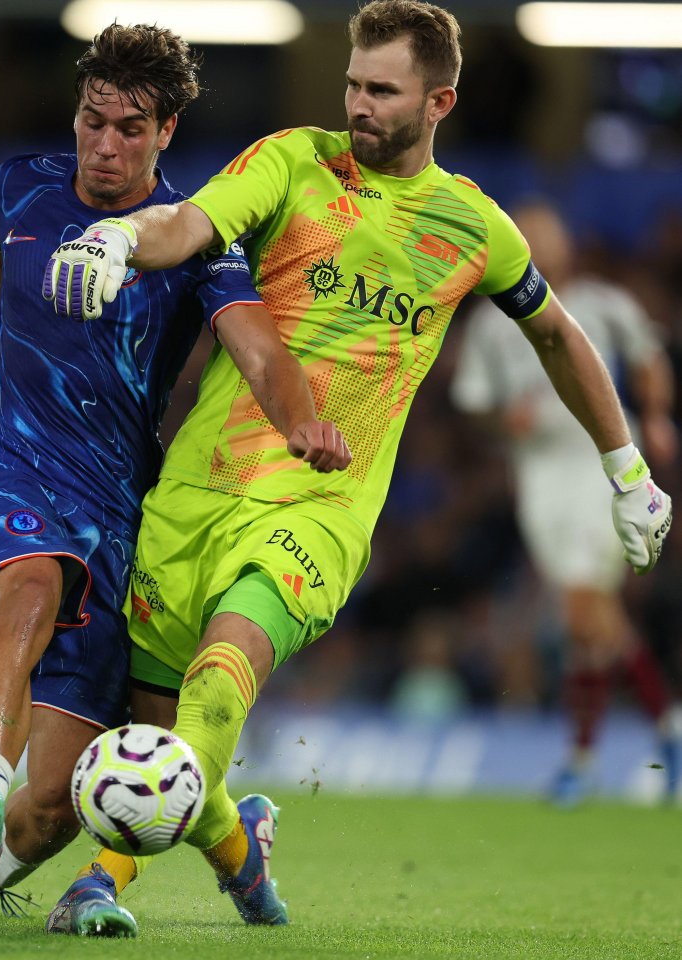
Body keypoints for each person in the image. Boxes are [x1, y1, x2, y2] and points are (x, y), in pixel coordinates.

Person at [42, 0, 672, 935]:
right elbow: (187, 225)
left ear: (439, 101)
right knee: (168, 738)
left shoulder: (472, 228)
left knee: (228, 669)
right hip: (197, 491)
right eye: (353, 84)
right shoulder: (291, 159)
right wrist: (118, 239)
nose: (360, 104)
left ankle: (99, 881)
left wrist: (628, 469)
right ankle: (242, 855)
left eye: (383, 90)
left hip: (321, 505)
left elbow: (559, 336)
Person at [0, 23, 349, 932]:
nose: (105, 146)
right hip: (10, 470)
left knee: (54, 806)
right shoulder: (23, 185)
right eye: (93, 122)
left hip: (121, 516)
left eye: (130, 129)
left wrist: (302, 421)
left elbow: (259, 346)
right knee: (28, 596)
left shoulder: (194, 240)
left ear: (165, 135)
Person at [450, 199, 681, 806]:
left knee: (583, 609)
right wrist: (505, 420)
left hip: (599, 462)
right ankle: (646, 733)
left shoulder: (603, 305)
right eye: (529, 237)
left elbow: (649, 360)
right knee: (592, 620)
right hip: (539, 475)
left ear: (567, 245)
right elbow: (473, 404)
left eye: (548, 236)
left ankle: (590, 757)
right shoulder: (490, 325)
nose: (541, 246)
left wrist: (655, 417)